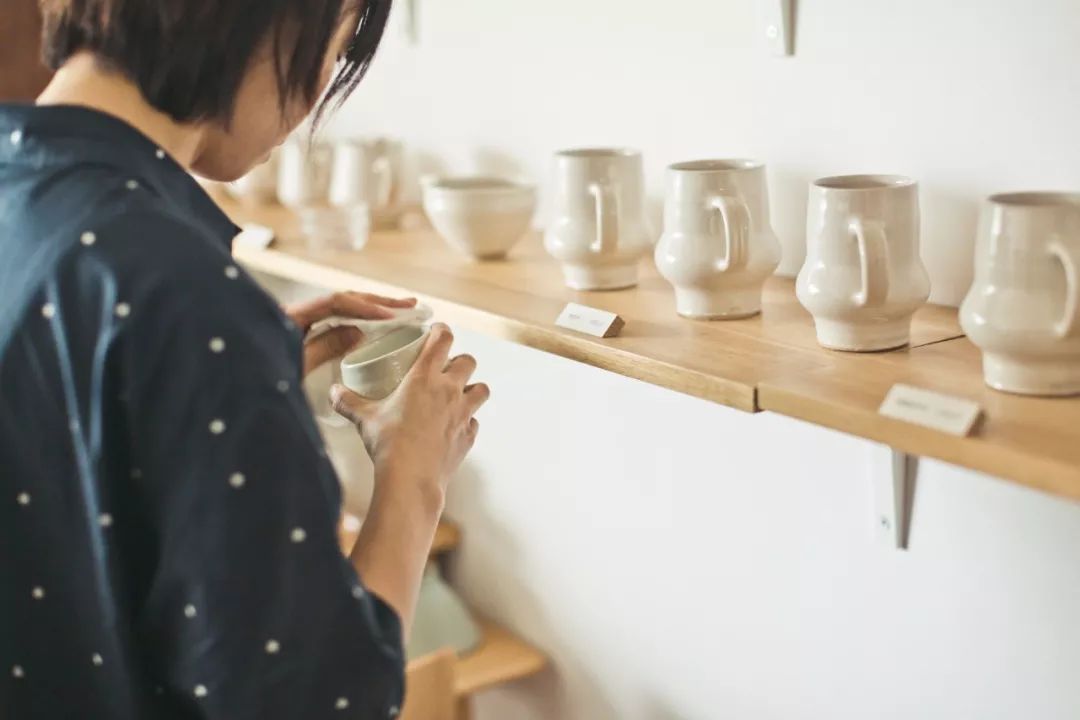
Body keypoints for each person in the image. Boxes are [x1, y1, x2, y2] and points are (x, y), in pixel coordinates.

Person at [0, 1, 490, 718]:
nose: (322, 89)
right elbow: (321, 703)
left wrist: (207, 385)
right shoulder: (183, 293)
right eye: (340, 46)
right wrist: (415, 477)